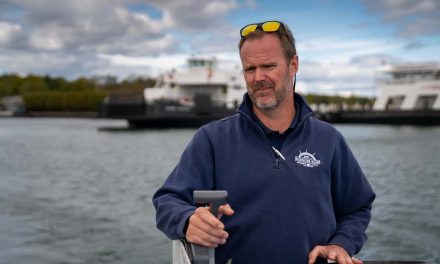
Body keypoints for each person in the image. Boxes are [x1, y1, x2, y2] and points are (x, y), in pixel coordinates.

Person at [153, 20, 375, 264]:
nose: (258, 77)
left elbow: (358, 207)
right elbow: (167, 201)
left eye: (269, 66)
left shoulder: (329, 139)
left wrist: (340, 243)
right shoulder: (212, 139)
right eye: (250, 69)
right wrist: (186, 220)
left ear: (293, 65)